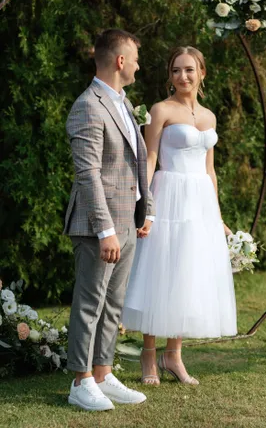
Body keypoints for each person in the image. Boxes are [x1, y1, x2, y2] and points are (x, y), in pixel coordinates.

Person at [122, 46, 237, 386]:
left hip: (198, 199)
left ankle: (174, 355)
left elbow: (210, 170)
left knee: (188, 272)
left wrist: (217, 216)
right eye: (175, 70)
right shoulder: (161, 110)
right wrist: (144, 205)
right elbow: (150, 157)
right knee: (159, 269)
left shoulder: (210, 117)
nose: (182, 76)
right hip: (168, 193)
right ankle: (148, 355)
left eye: (189, 70)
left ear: (202, 72)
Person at [64, 29, 155, 411]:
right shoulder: (89, 104)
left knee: (112, 305)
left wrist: (144, 209)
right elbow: (89, 175)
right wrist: (105, 231)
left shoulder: (122, 102)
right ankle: (80, 381)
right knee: (90, 304)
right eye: (134, 57)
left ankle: (102, 372)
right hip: (100, 227)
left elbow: (133, 163)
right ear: (120, 61)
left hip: (126, 222)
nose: (137, 64)